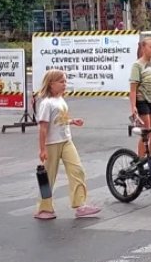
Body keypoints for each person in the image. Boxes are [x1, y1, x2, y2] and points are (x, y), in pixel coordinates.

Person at [33, 69, 100, 220]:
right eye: (61, 82)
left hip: (66, 140)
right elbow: (43, 128)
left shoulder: (60, 100)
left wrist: (72, 121)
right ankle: (44, 208)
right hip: (52, 143)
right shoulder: (46, 103)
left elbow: (60, 120)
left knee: (77, 170)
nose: (65, 84)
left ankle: (80, 204)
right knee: (48, 176)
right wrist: (42, 149)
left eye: (65, 81)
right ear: (51, 84)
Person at [129, 37, 151, 157]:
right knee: (147, 133)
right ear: (143, 48)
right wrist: (133, 107)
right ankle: (141, 161)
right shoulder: (137, 65)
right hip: (142, 100)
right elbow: (133, 89)